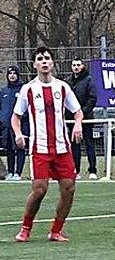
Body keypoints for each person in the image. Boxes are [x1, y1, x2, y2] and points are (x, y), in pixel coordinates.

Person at [11, 47, 83, 242]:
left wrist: (77, 125)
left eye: (47, 58)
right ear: (35, 64)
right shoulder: (28, 89)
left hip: (62, 147)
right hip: (40, 148)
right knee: (40, 189)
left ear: (52, 63)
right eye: (40, 59)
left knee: (69, 188)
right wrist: (18, 133)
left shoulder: (62, 87)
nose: (44, 62)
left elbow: (78, 111)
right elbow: (16, 117)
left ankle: (56, 230)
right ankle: (26, 228)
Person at [67, 58, 99, 179]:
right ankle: (76, 170)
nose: (76, 67)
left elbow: (92, 99)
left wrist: (82, 113)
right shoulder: (68, 82)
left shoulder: (88, 80)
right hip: (72, 120)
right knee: (75, 145)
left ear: (82, 66)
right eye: (74, 65)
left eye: (78, 65)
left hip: (86, 119)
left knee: (89, 143)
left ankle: (92, 170)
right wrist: (72, 114)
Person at [1, 65, 25, 180]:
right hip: (6, 126)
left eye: (14, 73)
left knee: (20, 148)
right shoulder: (4, 91)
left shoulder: (22, 89)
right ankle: (10, 172)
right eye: (10, 73)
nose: (12, 75)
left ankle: (18, 173)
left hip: (20, 125)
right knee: (9, 149)